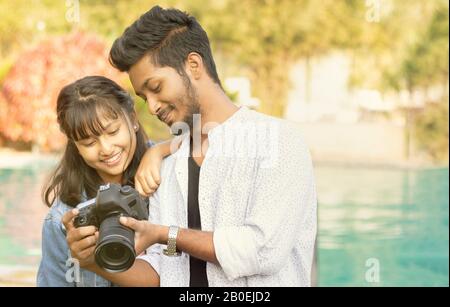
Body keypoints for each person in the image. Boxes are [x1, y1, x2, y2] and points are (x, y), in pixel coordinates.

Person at [63, 6, 317, 287]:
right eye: (144, 97)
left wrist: (165, 234)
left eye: (156, 87)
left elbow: (263, 250)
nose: (153, 106)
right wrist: (92, 260)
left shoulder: (277, 142)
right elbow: (165, 268)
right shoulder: (168, 167)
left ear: (193, 65)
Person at [37, 76, 172, 286]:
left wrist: (160, 150)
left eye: (113, 131)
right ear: (76, 146)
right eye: (89, 142)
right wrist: (84, 259)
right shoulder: (62, 219)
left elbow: (207, 140)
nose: (106, 149)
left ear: (133, 119)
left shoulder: (169, 173)